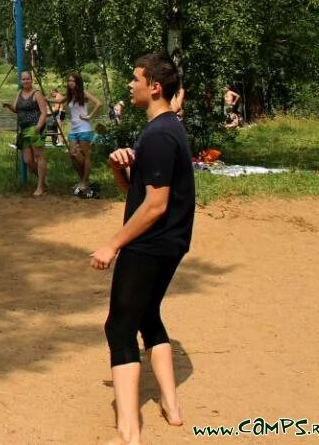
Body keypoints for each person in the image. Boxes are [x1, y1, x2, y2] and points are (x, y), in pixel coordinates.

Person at [91, 54, 194, 445]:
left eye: (135, 79)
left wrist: (112, 244)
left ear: (153, 86)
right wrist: (121, 171)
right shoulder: (168, 128)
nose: (130, 85)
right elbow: (139, 198)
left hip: (150, 245)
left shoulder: (158, 135)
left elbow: (155, 206)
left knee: (118, 327)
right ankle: (171, 406)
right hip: (169, 243)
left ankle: (129, 429)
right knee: (148, 314)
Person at [49, 73, 103, 198]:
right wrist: (45, 98)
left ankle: (83, 182)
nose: (70, 83)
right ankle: (83, 180)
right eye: (69, 80)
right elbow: (58, 100)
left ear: (78, 82)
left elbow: (99, 103)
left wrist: (90, 116)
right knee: (73, 154)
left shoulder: (83, 93)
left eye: (73, 81)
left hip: (84, 128)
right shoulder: (69, 95)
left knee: (86, 156)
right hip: (73, 130)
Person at [2, 71, 48, 196]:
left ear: (31, 80)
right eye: (23, 79)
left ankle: (40, 186)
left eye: (28, 79)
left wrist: (38, 127)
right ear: (21, 81)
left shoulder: (37, 93)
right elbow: (16, 109)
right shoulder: (19, 92)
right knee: (27, 159)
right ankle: (43, 179)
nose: (26, 81)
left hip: (35, 127)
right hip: (24, 129)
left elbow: (44, 112)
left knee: (39, 156)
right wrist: (8, 105)